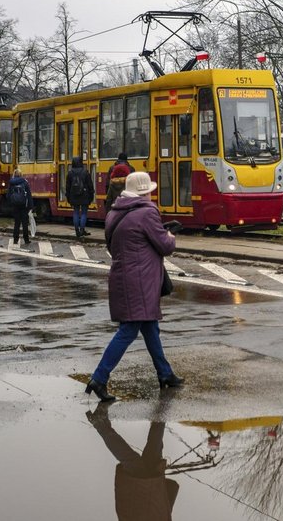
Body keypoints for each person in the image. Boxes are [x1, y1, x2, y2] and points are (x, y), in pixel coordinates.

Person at [85, 171, 183, 402]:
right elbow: (165, 245)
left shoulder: (113, 213)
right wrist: (169, 233)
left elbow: (117, 244)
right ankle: (99, 378)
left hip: (123, 276)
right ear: (144, 192)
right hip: (140, 281)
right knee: (128, 330)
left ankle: (165, 374)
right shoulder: (147, 212)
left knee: (149, 327)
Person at [86, 406, 179, 520]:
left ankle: (99, 422)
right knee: (153, 444)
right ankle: (163, 403)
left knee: (141, 451)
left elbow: (171, 492)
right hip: (149, 487)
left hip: (143, 487)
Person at [66, 156, 95, 238]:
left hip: (73, 195)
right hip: (84, 195)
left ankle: (76, 230)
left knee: (75, 212)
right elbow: (90, 185)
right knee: (84, 212)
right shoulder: (85, 172)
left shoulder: (70, 173)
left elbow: (68, 187)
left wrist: (68, 196)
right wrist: (91, 194)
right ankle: (82, 229)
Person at [7, 168, 33, 246]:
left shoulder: (11, 183)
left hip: (15, 206)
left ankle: (15, 240)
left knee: (17, 223)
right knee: (25, 223)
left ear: (14, 174)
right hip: (24, 205)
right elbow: (29, 195)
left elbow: (8, 195)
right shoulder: (25, 182)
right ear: (21, 174)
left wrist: (11, 203)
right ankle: (26, 239)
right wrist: (31, 206)